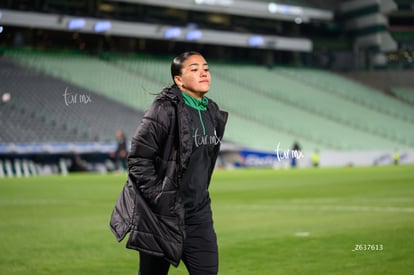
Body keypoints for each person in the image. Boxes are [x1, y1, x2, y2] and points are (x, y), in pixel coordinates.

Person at [110, 51, 228, 275]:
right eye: (194, 69)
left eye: (205, 68)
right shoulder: (163, 109)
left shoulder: (212, 111)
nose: (203, 72)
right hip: (162, 216)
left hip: (199, 215)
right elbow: (138, 159)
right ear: (178, 80)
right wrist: (161, 198)